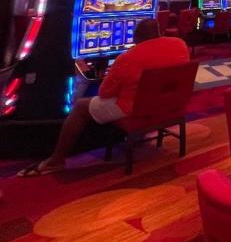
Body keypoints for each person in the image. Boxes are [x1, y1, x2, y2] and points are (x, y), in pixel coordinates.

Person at [19, 19, 189, 176]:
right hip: (169, 105)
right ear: (158, 32)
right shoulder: (179, 45)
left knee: (80, 107)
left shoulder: (128, 57)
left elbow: (104, 93)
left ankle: (56, 160)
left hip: (135, 108)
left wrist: (113, 75)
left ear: (136, 38)